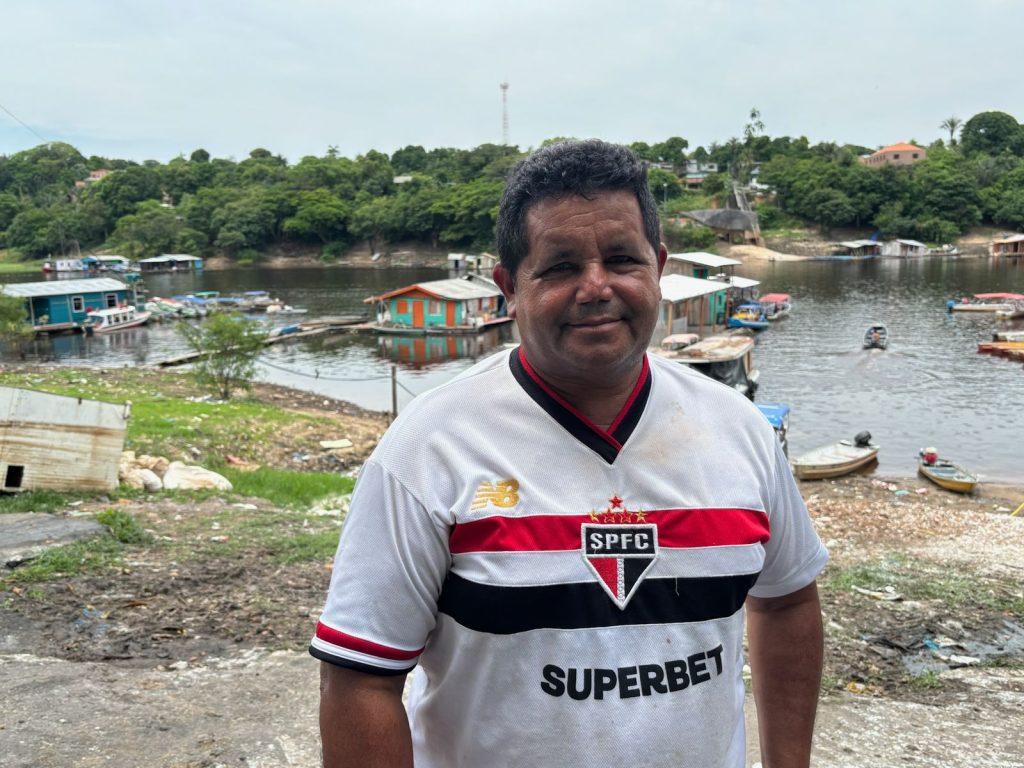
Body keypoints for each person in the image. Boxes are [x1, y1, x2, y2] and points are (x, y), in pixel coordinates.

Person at [312, 139, 828, 768]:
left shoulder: (739, 429)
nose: (596, 288)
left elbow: (787, 600)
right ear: (509, 287)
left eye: (623, 259)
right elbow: (361, 679)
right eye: (559, 267)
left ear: (659, 266)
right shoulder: (431, 447)